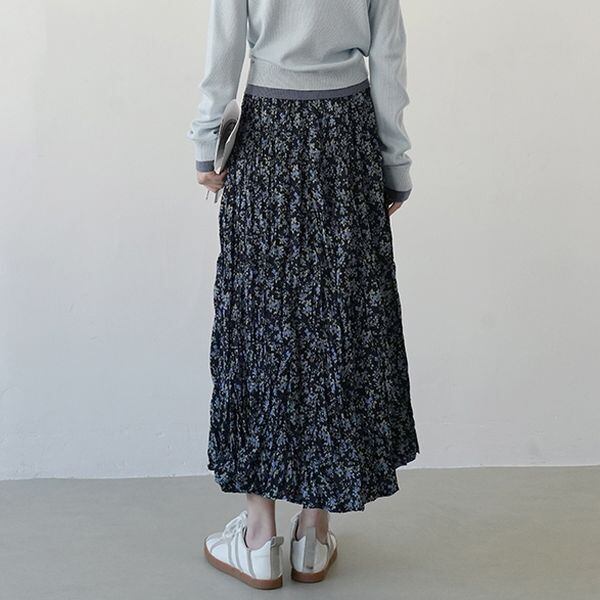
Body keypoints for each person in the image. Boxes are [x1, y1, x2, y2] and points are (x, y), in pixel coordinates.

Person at [187, 0, 419, 589]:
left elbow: (223, 48)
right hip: (347, 137)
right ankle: (312, 535)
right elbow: (388, 57)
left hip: (268, 133)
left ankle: (259, 536)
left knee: (260, 324)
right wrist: (395, 163)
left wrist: (207, 141)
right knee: (337, 325)